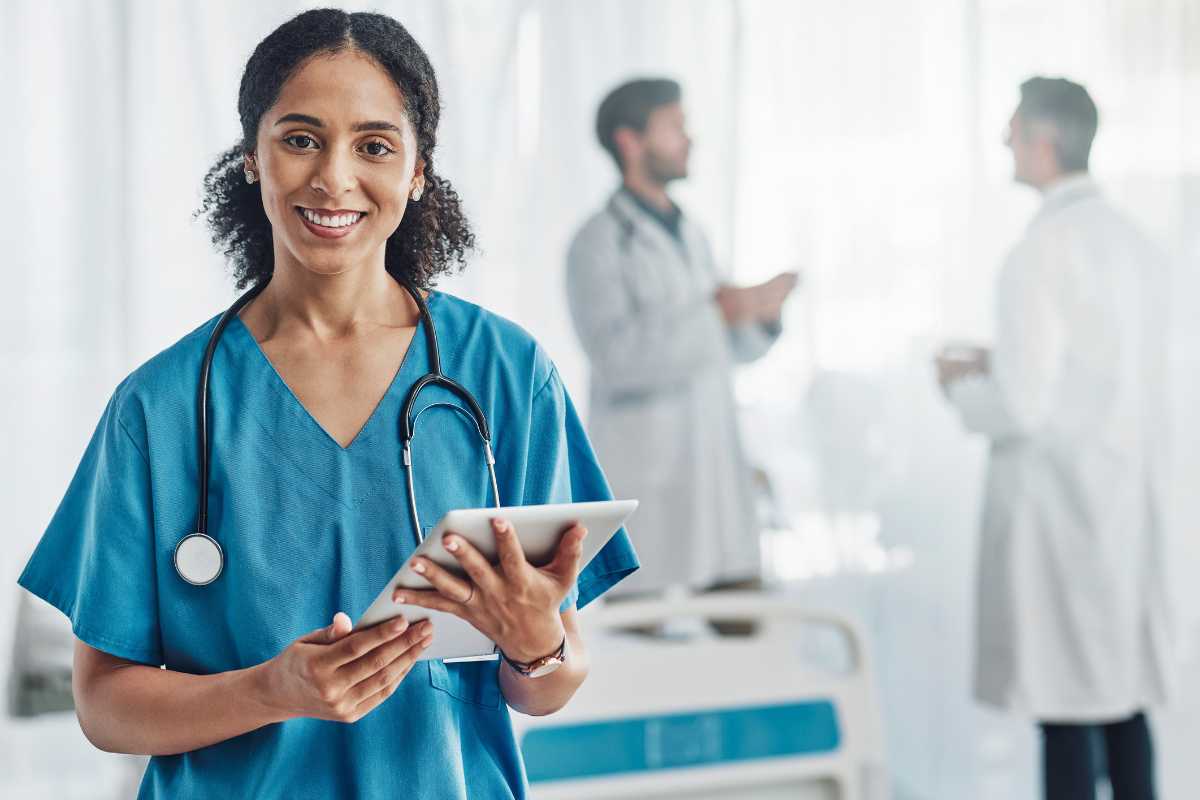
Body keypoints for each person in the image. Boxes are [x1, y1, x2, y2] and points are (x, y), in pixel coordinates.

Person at [15, 9, 637, 798]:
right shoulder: (162, 407)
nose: (333, 178)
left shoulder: (505, 374)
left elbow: (549, 683)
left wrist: (535, 639)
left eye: (373, 145)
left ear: (417, 171)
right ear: (252, 157)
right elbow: (103, 704)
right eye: (300, 138)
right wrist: (274, 691)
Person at [936, 76, 1172, 800]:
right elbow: (1105, 371)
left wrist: (958, 382)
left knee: (1064, 711)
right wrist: (999, 363)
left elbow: (1022, 405)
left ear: (1044, 141)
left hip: (1061, 514)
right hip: (1124, 501)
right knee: (1124, 701)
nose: (1003, 140)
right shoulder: (1138, 243)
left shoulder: (1040, 250)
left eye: (1011, 128)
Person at [565, 78, 797, 604]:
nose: (689, 140)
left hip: (714, 474)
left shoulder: (692, 232)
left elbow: (726, 349)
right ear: (630, 141)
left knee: (741, 633)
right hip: (650, 481)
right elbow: (618, 359)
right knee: (651, 649)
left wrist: (760, 317)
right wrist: (722, 310)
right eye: (675, 129)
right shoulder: (597, 243)